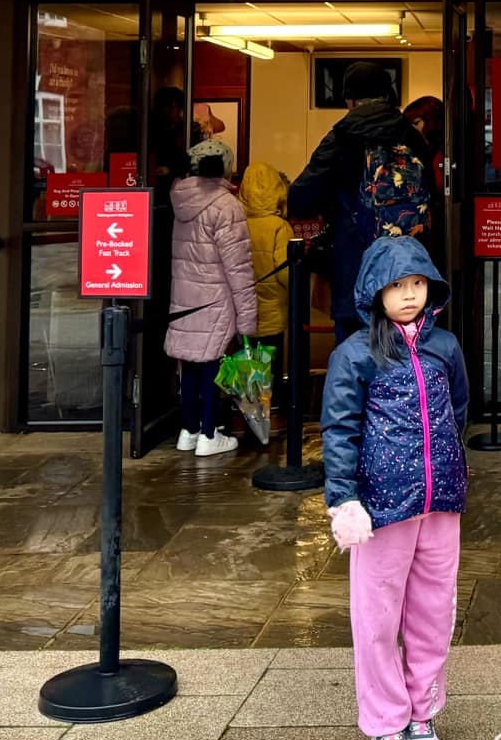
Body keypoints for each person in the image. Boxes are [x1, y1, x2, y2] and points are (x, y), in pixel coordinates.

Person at [320, 235, 468, 740]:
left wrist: (448, 465)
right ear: (375, 291)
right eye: (398, 285)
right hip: (382, 506)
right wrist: (343, 498)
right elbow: (339, 429)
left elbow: (458, 409)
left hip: (440, 501)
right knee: (377, 617)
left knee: (433, 614)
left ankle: (422, 713)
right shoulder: (354, 354)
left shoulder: (445, 346)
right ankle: (386, 721)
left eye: (418, 283)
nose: (409, 295)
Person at [289, 61, 442, 344]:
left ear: (349, 99)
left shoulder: (341, 137)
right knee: (405, 355)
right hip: (408, 272)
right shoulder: (412, 136)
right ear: (388, 94)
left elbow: (301, 200)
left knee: (354, 358)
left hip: (355, 269)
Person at [166, 138, 257, 458]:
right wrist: (247, 319)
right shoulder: (226, 205)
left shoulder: (180, 198)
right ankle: (208, 434)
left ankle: (188, 430)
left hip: (185, 297)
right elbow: (238, 267)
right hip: (216, 299)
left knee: (190, 364)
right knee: (212, 365)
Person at [240, 161, 294, 417]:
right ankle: (272, 416)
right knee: (271, 364)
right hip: (272, 310)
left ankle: (250, 415)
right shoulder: (279, 227)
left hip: (243, 308)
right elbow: (285, 272)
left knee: (248, 364)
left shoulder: (237, 223)